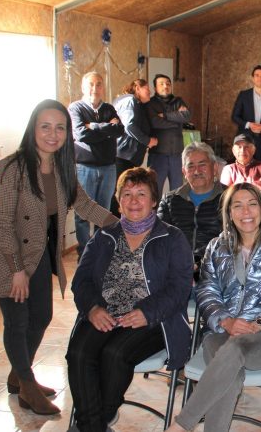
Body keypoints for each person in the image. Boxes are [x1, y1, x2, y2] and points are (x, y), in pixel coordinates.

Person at [0, 99, 117, 415]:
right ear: (33, 129)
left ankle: (18, 375)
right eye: (45, 126)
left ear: (67, 133)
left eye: (60, 127)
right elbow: (2, 220)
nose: (53, 134)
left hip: (37, 255)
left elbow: (87, 206)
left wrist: (126, 227)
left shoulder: (64, 168)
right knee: (18, 321)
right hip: (7, 257)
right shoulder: (12, 167)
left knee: (42, 317)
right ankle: (26, 385)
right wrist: (16, 270)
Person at [167, 183, 261, 432]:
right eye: (237, 206)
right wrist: (225, 320)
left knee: (235, 349)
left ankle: (181, 425)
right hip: (221, 331)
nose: (246, 212)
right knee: (229, 375)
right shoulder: (216, 247)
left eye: (252, 204)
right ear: (229, 213)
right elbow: (206, 290)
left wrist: (259, 323)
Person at [67, 167, 193, 432]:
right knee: (79, 353)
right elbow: (82, 280)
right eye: (127, 194)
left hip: (153, 319)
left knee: (114, 353)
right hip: (104, 312)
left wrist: (147, 312)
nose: (134, 201)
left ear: (154, 200)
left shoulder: (172, 238)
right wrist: (92, 308)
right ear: (118, 199)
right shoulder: (104, 236)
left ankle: (93, 421)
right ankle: (94, 426)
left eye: (141, 194)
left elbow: (180, 288)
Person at [68, 72, 124, 256]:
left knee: (104, 212)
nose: (95, 88)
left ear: (103, 87)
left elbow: (119, 130)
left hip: (108, 168)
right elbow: (80, 134)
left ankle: (100, 251)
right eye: (91, 84)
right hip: (84, 169)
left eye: (99, 84)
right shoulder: (75, 108)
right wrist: (106, 128)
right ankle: (85, 251)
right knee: (83, 213)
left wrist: (92, 126)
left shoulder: (108, 108)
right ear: (83, 87)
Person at [158, 142, 226, 278]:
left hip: (216, 271)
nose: (196, 171)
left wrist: (199, 263)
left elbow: (232, 240)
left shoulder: (230, 198)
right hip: (176, 270)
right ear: (184, 171)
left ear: (214, 167)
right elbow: (159, 236)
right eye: (191, 166)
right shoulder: (170, 199)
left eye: (202, 165)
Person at [111, 78, 158, 215]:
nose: (150, 92)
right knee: (119, 194)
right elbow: (129, 125)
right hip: (123, 155)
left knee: (124, 192)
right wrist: (147, 141)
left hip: (128, 156)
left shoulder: (137, 104)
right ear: (137, 88)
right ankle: (116, 227)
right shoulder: (130, 101)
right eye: (147, 89)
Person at [147, 74, 191, 195]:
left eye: (168, 83)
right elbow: (155, 122)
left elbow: (187, 116)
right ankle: (155, 214)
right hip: (157, 156)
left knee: (177, 191)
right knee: (154, 191)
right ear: (155, 88)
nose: (165, 86)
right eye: (161, 84)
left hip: (176, 155)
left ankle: (175, 214)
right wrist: (176, 121)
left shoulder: (178, 101)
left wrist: (166, 116)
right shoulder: (150, 103)